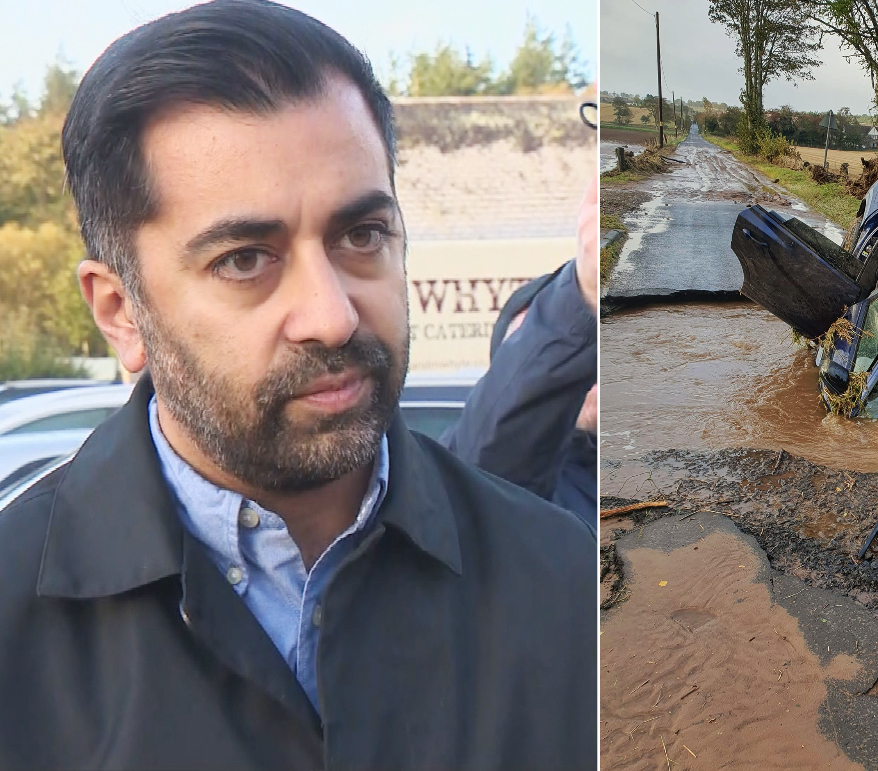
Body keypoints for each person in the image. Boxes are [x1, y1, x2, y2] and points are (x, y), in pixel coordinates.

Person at [0, 2, 596, 768]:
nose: (332, 315)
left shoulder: (556, 579)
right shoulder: (16, 623)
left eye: (361, 235)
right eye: (246, 258)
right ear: (121, 313)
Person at [442, 176, 598, 529]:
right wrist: (580, 298)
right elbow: (490, 467)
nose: (568, 361)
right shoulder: (510, 477)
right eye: (532, 347)